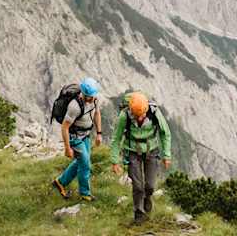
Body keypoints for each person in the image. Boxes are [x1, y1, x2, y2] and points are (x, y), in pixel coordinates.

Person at [108, 92, 171, 224]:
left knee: (150, 185)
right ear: (131, 110)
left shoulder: (154, 113)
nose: (139, 118)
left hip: (151, 150)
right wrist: (114, 161)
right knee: (137, 186)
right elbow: (116, 138)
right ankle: (139, 213)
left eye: (141, 115)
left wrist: (166, 155)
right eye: (136, 116)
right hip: (132, 152)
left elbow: (165, 133)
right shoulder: (124, 116)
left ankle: (148, 197)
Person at [52, 77, 103, 201]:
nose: (93, 98)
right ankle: (85, 193)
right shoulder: (74, 106)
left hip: (86, 135)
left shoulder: (94, 100)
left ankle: (60, 182)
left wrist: (99, 133)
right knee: (85, 165)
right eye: (90, 96)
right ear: (85, 95)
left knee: (80, 162)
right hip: (75, 137)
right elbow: (65, 127)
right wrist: (67, 148)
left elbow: (97, 114)